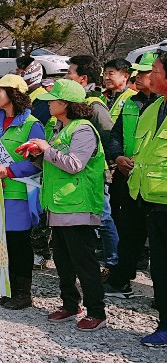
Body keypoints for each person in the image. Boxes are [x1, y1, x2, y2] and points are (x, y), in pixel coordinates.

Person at [27, 78, 107, 331]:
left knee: (84, 262)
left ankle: (97, 312)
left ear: (66, 104)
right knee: (63, 260)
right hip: (59, 205)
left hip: (78, 206)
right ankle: (70, 305)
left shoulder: (83, 129)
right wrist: (37, 154)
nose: (48, 104)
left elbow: (74, 164)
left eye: (53, 100)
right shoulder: (60, 127)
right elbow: (54, 162)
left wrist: (46, 149)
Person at [0, 74, 46, 309]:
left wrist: (9, 170)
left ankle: (22, 293)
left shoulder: (32, 125)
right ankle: (7, 288)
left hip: (19, 192)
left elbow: (37, 162)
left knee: (18, 242)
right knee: (2, 242)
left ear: (14, 94)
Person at [106, 51, 161, 299]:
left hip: (156, 184)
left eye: (145, 72)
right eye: (136, 73)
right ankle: (121, 279)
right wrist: (118, 157)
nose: (137, 77)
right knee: (128, 230)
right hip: (128, 177)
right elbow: (116, 134)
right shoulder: (131, 102)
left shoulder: (160, 105)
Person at [123, 52, 167, 346]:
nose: (150, 76)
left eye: (155, 71)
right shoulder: (154, 108)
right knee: (160, 268)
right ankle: (165, 324)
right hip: (151, 200)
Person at [66, 54, 118, 274]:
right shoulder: (76, 103)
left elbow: (108, 136)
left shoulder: (94, 106)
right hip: (79, 173)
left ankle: (113, 264)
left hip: (95, 173)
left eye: (70, 73)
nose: (66, 77)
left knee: (103, 217)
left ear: (83, 79)